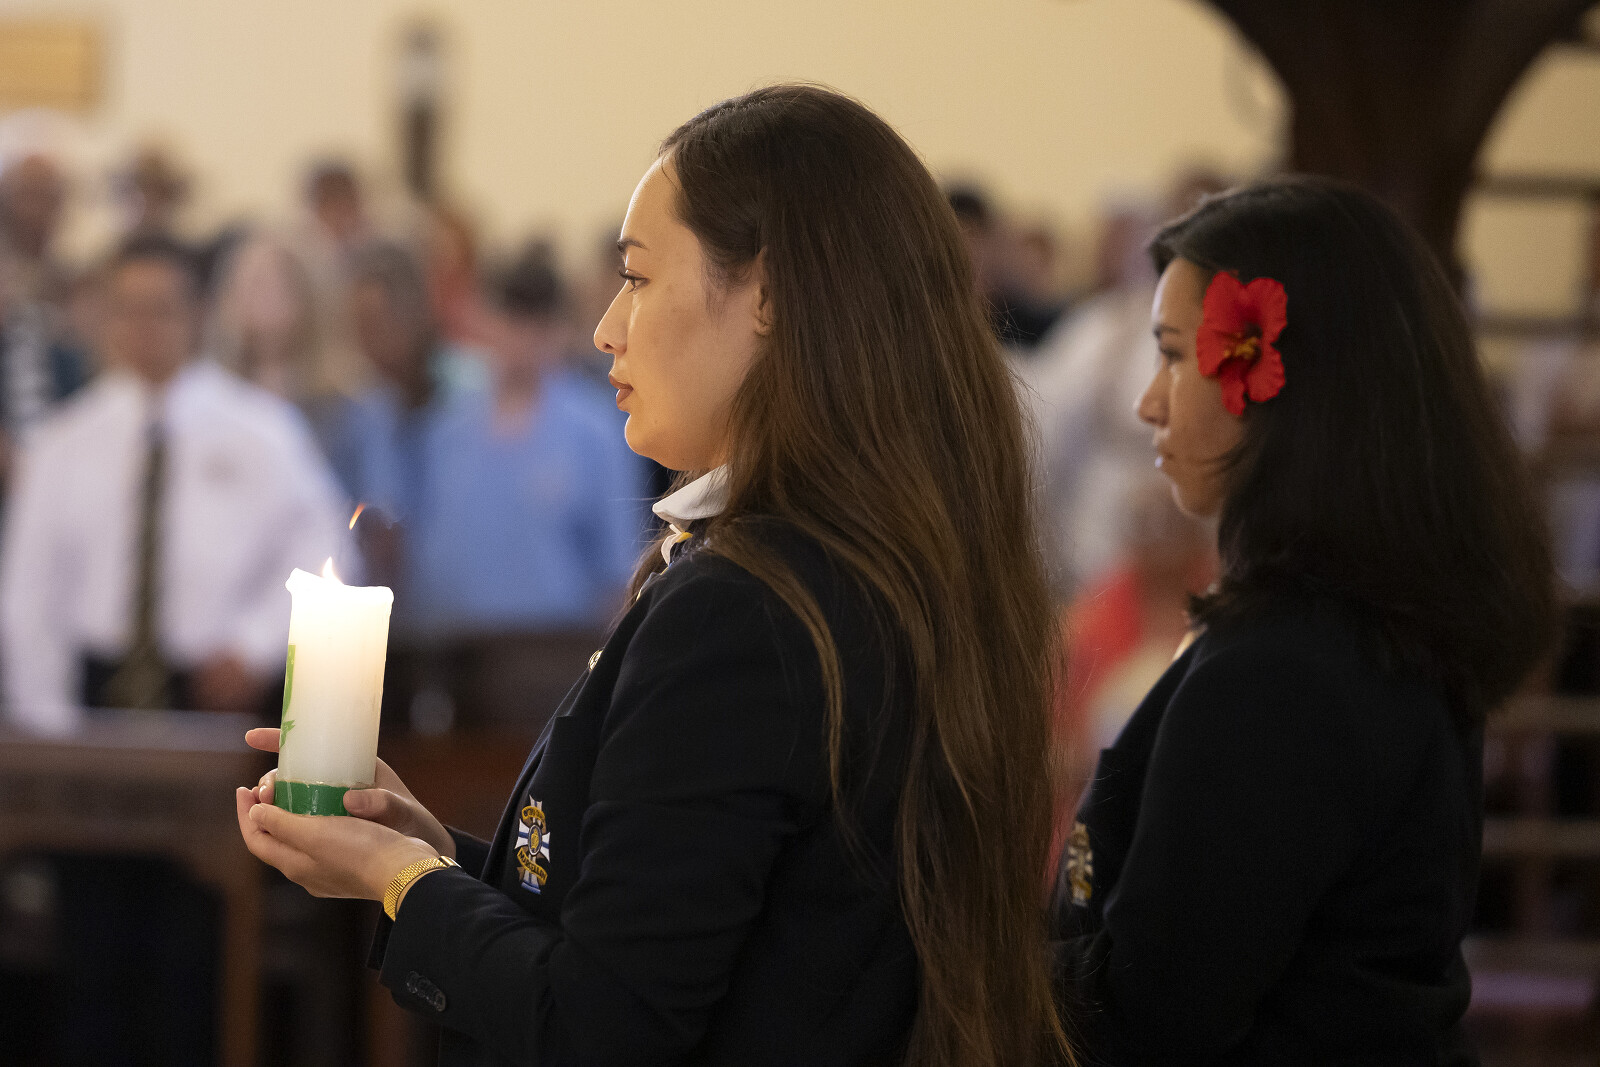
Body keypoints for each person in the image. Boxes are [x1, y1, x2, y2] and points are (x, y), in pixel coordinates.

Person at [236, 84, 1070, 1066]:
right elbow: (682, 921)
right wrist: (429, 854)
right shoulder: (859, 555)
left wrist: (399, 878)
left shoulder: (745, 609)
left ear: (767, 295)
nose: (605, 327)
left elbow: (603, 1024)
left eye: (636, 277)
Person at [1052, 177, 1556, 1065]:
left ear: (1271, 377)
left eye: (1174, 355)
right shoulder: (1364, 619)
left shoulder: (1284, 672)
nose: (1148, 402)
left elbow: (1153, 1014)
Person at [0, 236, 348, 731]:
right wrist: (46, 718)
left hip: (217, 688)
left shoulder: (263, 431)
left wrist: (256, 646)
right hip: (94, 687)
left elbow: (323, 550)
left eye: (161, 309)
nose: (144, 327)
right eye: (128, 310)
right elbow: (31, 590)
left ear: (199, 313)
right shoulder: (63, 444)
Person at [400, 241, 648, 638]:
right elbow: (423, 554)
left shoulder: (595, 431)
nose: (522, 338)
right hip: (453, 647)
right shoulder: (444, 429)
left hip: (554, 650)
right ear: (486, 319)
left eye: (537, 324)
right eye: (511, 320)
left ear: (558, 329)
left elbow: (619, 570)